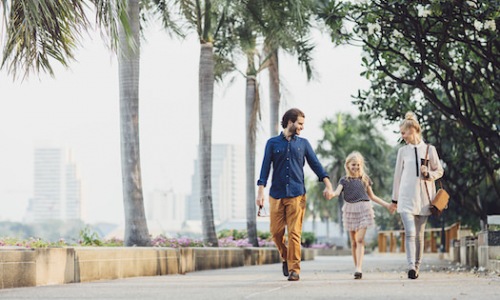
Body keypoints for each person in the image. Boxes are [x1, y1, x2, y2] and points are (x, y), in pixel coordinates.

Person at [256, 108, 334, 282]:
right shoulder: (272, 143)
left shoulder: (303, 144)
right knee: (276, 233)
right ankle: (286, 256)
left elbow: (316, 165)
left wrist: (328, 185)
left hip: (297, 194)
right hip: (276, 194)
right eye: (300, 123)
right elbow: (265, 167)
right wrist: (260, 191)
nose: (302, 127)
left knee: (294, 233)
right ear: (290, 122)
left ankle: (294, 269)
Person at [392, 111, 444, 279]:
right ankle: (411, 266)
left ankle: (418, 266)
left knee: (420, 234)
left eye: (403, 132)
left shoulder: (430, 149)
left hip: (424, 198)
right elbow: (397, 176)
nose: (402, 136)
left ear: (413, 130)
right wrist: (394, 199)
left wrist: (428, 173)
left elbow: (440, 171)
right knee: (410, 233)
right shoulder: (402, 152)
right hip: (406, 198)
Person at [331, 151, 395, 280]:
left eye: (358, 165)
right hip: (350, 210)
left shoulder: (365, 179)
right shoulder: (344, 180)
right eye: (353, 164)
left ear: (361, 165)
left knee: (359, 239)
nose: (355, 167)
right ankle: (357, 268)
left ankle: (359, 268)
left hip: (364, 209)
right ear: (348, 165)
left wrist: (387, 205)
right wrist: (331, 194)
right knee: (354, 242)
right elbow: (337, 192)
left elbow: (372, 196)